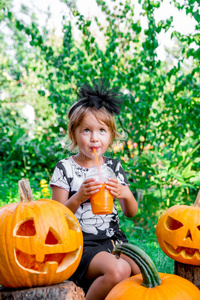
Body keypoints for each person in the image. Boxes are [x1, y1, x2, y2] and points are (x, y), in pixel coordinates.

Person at [50, 80, 139, 300]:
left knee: (143, 272)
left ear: (111, 136)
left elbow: (131, 212)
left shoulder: (113, 168)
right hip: (81, 243)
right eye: (86, 130)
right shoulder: (66, 168)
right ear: (74, 134)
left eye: (101, 130)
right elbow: (56, 219)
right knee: (119, 270)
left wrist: (126, 194)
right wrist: (79, 197)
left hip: (114, 240)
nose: (94, 138)